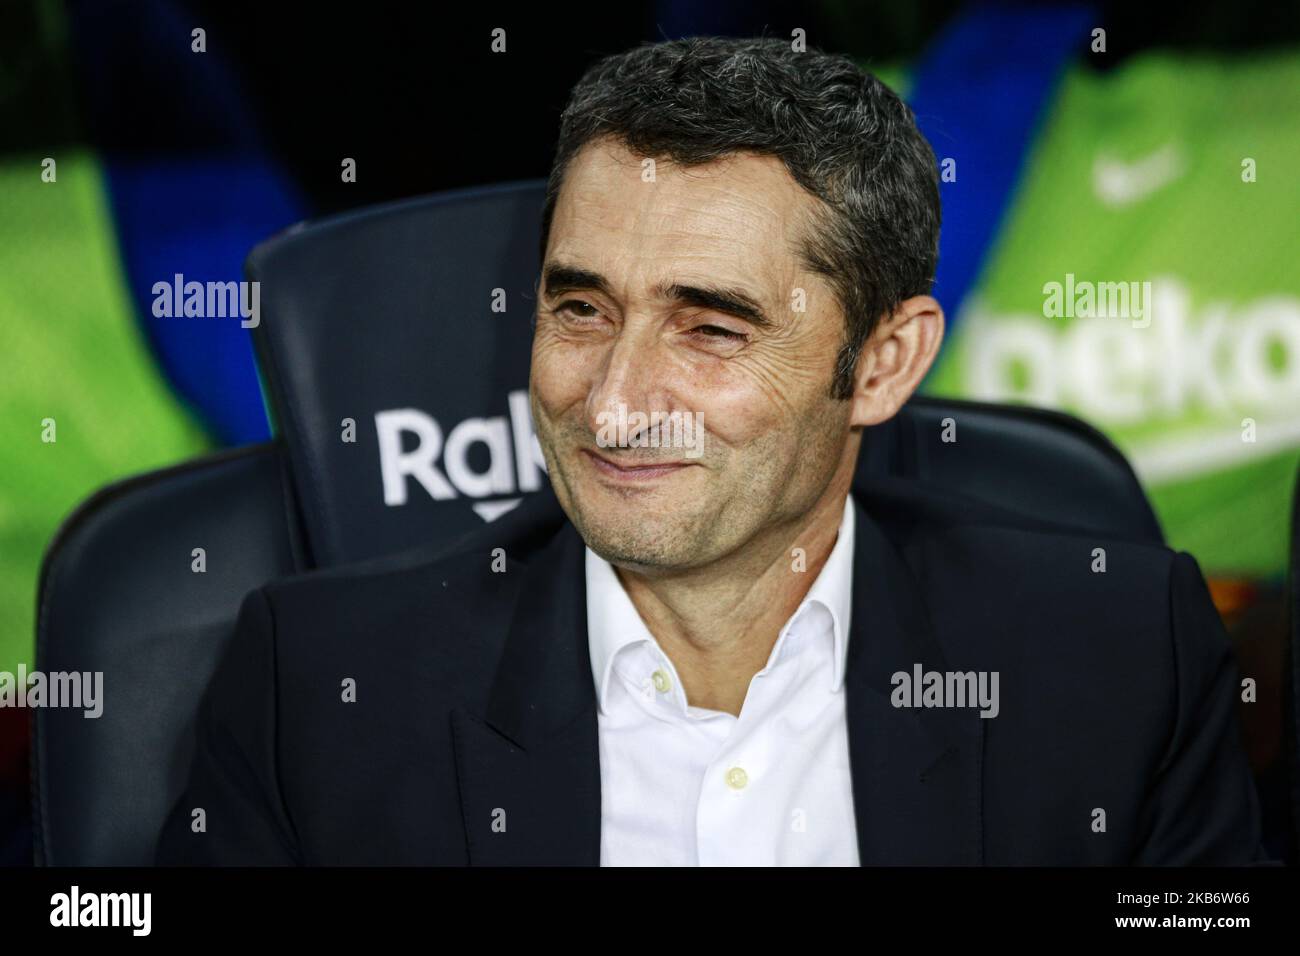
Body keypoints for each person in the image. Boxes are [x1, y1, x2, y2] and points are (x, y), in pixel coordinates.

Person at [157, 36, 1264, 866]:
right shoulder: (318, 686)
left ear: (880, 364)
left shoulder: (1119, 657)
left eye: (712, 327)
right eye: (582, 309)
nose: (617, 400)